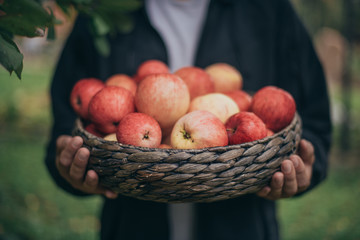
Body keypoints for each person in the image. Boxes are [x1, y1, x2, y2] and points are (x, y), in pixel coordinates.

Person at [45, 0, 332, 239]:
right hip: (130, 228)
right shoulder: (103, 10)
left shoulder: (268, 10)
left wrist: (307, 166)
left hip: (243, 228)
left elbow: (315, 123)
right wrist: (70, 166)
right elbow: (67, 127)